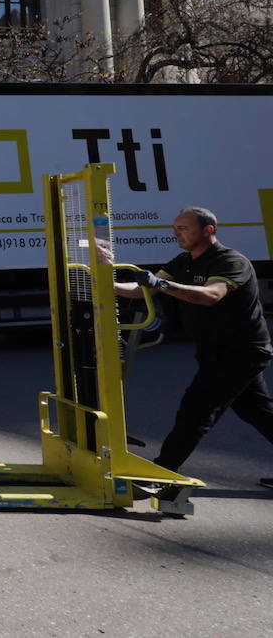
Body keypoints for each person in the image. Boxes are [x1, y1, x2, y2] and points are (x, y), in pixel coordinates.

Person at [114, 207, 273, 488]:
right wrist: (104, 283)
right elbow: (144, 290)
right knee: (256, 411)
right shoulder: (183, 261)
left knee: (196, 410)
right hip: (213, 349)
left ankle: (161, 475)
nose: (177, 234)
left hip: (241, 351)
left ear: (208, 230)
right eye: (175, 228)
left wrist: (163, 283)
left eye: (183, 228)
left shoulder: (230, 261)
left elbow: (211, 295)